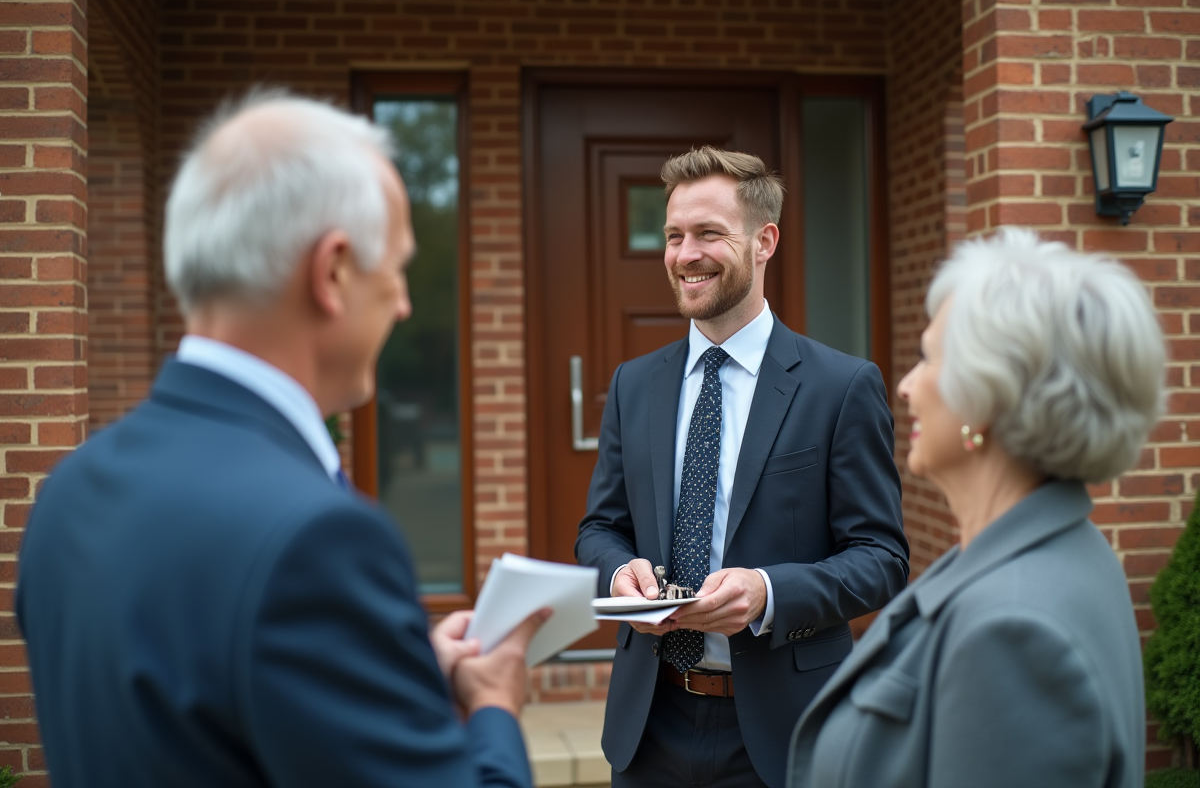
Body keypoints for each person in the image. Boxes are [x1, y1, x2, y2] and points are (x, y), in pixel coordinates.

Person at [16, 91, 548, 787]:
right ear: (331, 272)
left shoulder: (69, 490)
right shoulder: (317, 539)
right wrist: (493, 706)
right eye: (396, 266)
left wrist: (397, 667)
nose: (405, 301)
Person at [575, 146, 910, 788]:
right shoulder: (633, 385)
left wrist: (768, 593)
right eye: (673, 236)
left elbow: (882, 558)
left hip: (784, 735)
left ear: (765, 242)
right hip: (648, 726)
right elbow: (598, 529)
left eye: (708, 234)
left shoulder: (842, 387)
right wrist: (618, 572)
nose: (684, 255)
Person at [787, 227, 1164, 788]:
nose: (907, 386)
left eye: (929, 359)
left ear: (988, 399)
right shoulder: (1055, 549)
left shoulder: (1014, 633)